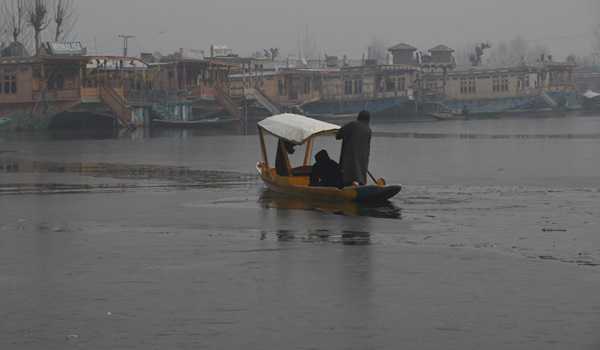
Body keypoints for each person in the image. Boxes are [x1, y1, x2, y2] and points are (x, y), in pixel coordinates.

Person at [336, 110, 372, 186]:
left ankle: (351, 186)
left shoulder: (353, 125)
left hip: (350, 156)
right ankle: (360, 184)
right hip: (363, 157)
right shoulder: (368, 130)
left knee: (350, 174)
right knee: (360, 172)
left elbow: (338, 135)